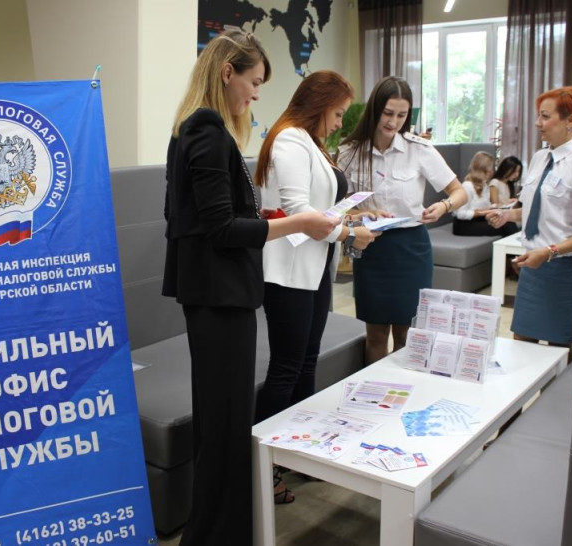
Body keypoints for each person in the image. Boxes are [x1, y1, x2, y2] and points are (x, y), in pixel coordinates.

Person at [163, 30, 338, 546]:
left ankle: (216, 530)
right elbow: (220, 229)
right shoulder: (207, 130)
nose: (257, 94)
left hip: (212, 294)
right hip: (220, 297)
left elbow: (195, 217)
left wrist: (263, 218)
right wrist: (297, 222)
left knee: (221, 422)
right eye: (254, 82)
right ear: (227, 73)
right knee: (226, 426)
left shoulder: (189, 129)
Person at [253, 70, 376, 501]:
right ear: (319, 104)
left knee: (306, 362)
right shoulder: (289, 139)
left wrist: (349, 217)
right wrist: (348, 234)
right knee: (286, 367)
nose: (340, 122)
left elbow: (319, 208)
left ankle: (296, 452)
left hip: (314, 267)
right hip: (287, 271)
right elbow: (297, 210)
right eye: (338, 113)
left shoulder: (311, 142)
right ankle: (263, 469)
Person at [338, 76, 467, 365]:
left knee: (408, 333)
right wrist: (358, 215)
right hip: (371, 247)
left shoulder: (418, 149)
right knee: (375, 333)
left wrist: (443, 206)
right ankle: (375, 387)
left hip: (411, 248)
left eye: (401, 115)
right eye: (388, 113)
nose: (393, 122)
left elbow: (460, 192)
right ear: (375, 109)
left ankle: (404, 387)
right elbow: (339, 208)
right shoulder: (350, 152)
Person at [487, 86, 572, 360]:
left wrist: (549, 251)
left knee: (557, 350)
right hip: (534, 265)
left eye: (545, 116)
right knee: (521, 343)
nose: (537, 123)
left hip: (564, 268)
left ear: (570, 120)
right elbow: (536, 209)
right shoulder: (541, 158)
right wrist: (508, 215)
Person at [453, 151, 519, 237]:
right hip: (464, 225)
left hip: (479, 219)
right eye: (490, 169)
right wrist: (479, 213)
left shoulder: (484, 185)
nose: (492, 172)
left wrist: (505, 203)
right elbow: (460, 214)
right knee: (506, 225)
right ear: (481, 169)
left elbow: (487, 206)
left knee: (506, 221)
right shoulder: (467, 186)